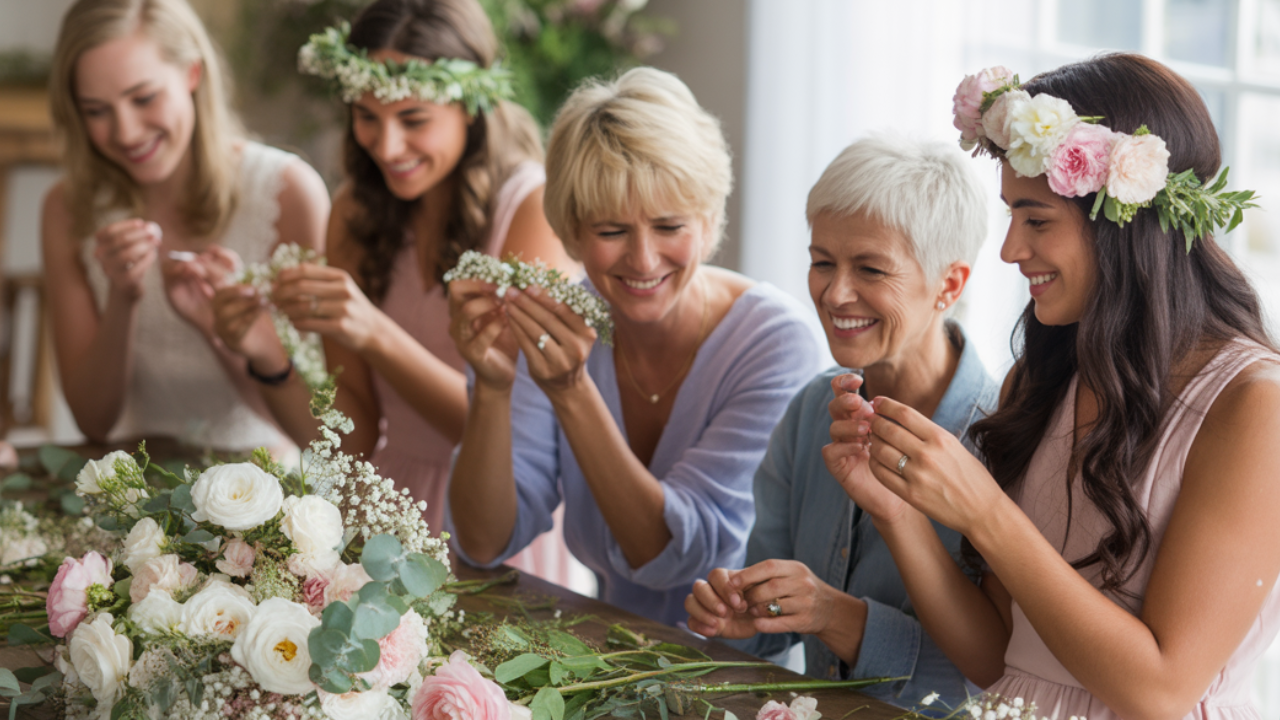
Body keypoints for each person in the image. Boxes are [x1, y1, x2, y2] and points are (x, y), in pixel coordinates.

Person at [829, 54, 1280, 718]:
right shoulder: (1042, 378)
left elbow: (1160, 689)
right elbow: (996, 657)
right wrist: (898, 513)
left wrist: (984, 511)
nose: (1010, 250)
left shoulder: (1252, 408)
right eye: (1012, 215)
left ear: (1123, 224)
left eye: (1036, 220)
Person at [210, 0, 577, 577]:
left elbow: (511, 436)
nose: (387, 147)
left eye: (413, 118)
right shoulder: (357, 211)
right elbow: (349, 445)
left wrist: (376, 333)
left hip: (497, 530)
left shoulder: (532, 209)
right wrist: (267, 355)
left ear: (471, 104)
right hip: (387, 523)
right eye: (367, 116)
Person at [446, 67, 825, 624]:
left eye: (669, 226)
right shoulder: (552, 327)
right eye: (611, 231)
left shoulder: (774, 343)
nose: (644, 260)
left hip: (742, 673)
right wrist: (494, 389)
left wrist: (572, 392)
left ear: (710, 218)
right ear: (572, 232)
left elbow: (675, 559)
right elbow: (482, 542)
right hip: (602, 649)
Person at [683, 135, 996, 707]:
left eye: (871, 269)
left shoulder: (1003, 442)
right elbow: (771, 632)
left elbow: (990, 679)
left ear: (949, 285)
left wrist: (835, 614)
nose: (834, 292)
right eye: (821, 262)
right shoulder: (810, 410)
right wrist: (748, 616)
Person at [42, 0, 330, 451]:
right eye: (97, 110)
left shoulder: (288, 192)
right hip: (133, 489)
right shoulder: (67, 208)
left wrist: (223, 333)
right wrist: (124, 297)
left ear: (192, 74)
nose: (126, 132)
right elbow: (93, 422)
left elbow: (314, 431)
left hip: (268, 489)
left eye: (143, 98)